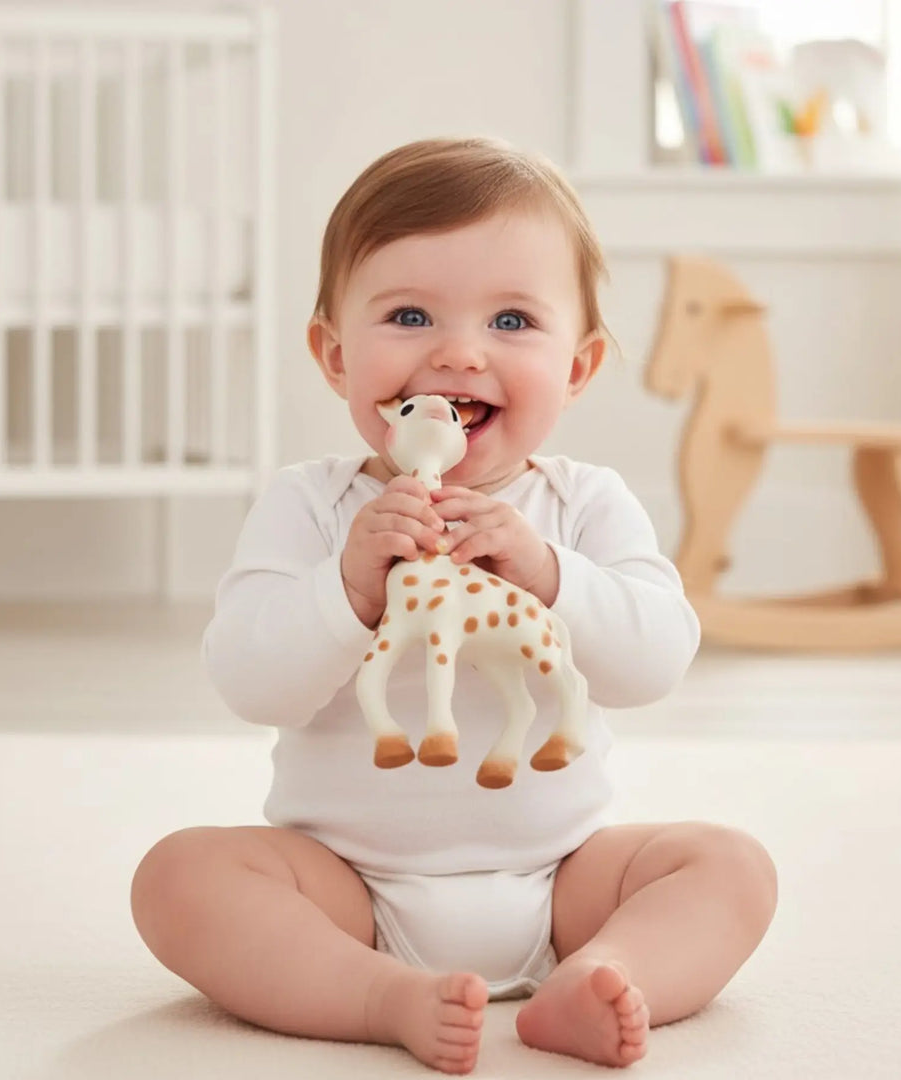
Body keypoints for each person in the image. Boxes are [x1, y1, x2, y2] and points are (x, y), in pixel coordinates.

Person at [130, 137, 778, 1074]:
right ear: (333, 353)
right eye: (409, 315)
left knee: (730, 867)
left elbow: (655, 662)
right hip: (347, 887)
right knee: (179, 879)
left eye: (513, 320)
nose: (459, 352)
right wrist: (349, 587)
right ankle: (377, 996)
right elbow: (248, 679)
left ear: (580, 367)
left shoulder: (584, 503)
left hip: (562, 878)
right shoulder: (311, 504)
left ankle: (601, 974)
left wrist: (550, 571)